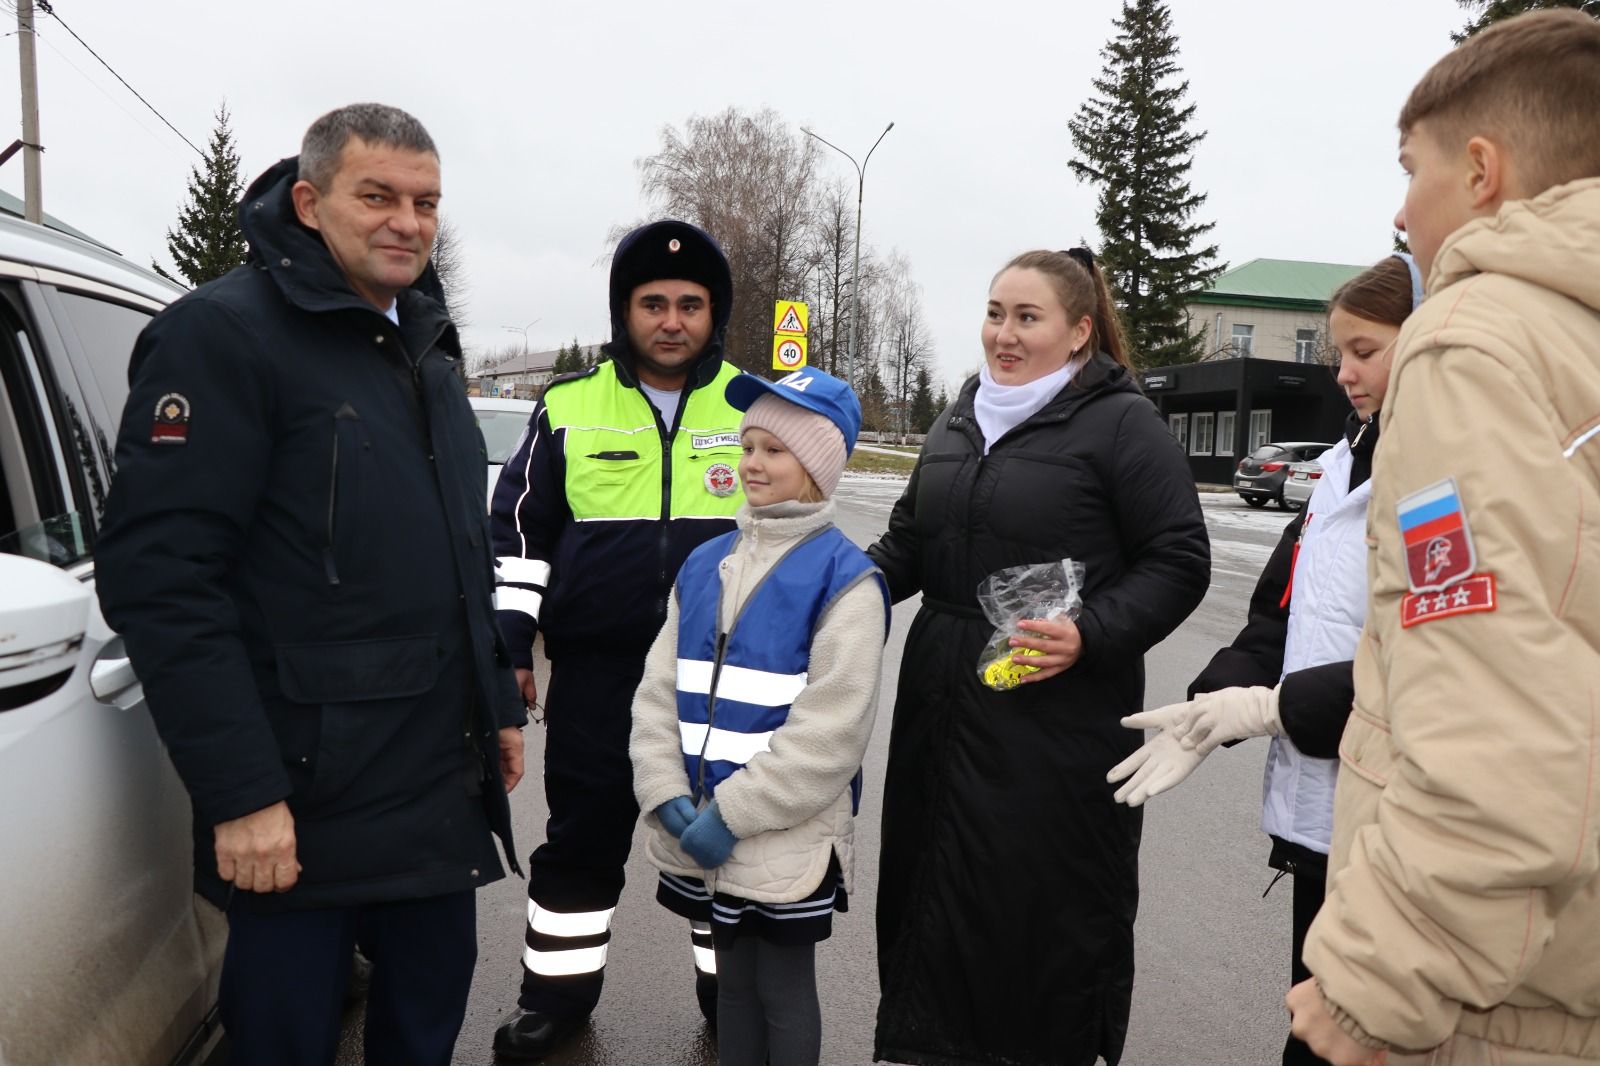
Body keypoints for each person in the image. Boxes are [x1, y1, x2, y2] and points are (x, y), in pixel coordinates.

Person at [94, 103, 526, 1065]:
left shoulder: (427, 346)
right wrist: (242, 794)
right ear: (309, 200)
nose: (406, 222)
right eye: (376, 196)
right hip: (300, 798)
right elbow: (162, 578)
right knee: (284, 1039)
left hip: (431, 787)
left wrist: (495, 699)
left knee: (424, 1030)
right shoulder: (222, 338)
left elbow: (463, 552)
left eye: (425, 202)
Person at [1282, 11, 1600, 1065]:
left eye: (1409, 169)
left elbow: (1495, 706)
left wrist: (1377, 982)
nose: (1398, 209)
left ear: (1480, 171)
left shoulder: (1475, 346)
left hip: (1505, 1004)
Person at [868, 248, 1211, 1066]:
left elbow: (1179, 557)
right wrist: (833, 592)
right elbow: (909, 543)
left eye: (1027, 318)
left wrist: (1091, 632)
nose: (1004, 335)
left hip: (1054, 724)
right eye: (995, 313)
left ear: (1080, 330)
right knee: (928, 890)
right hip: (941, 707)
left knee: (1032, 915)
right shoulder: (960, 418)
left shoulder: (1121, 423)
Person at [1106, 252, 1423, 1065]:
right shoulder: (1338, 469)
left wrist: (1273, 709)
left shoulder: (1437, 480)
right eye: (1338, 354)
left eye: (1367, 350)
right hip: (1323, 819)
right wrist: (1211, 706)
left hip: (1402, 827)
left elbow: (1432, 666)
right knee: (1310, 1027)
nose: (1346, 372)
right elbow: (1276, 619)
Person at [490, 219, 746, 1058]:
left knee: (724, 841)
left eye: (690, 304)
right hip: (600, 674)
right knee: (582, 840)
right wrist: (513, 647)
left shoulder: (753, 404)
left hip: (720, 677)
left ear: (714, 315)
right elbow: (521, 540)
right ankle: (556, 999)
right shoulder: (568, 405)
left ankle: (733, 996)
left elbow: (794, 532)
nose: (672, 320)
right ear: (623, 310)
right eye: (653, 303)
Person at [630, 366, 889, 1066]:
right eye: (746, 446)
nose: (751, 463)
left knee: (781, 988)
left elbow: (831, 733)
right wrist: (663, 790)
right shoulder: (704, 564)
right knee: (732, 986)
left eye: (774, 450)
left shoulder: (847, 581)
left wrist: (732, 814)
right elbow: (657, 692)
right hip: (699, 822)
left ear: (816, 464)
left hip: (785, 834)